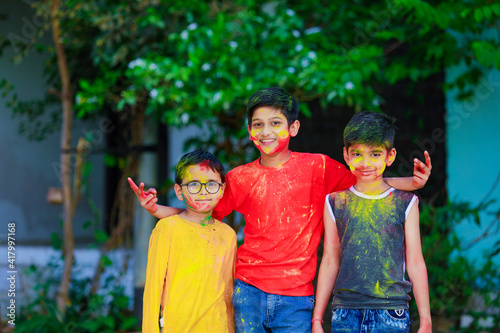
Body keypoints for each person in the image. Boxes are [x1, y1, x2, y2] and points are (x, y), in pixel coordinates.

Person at [130, 87, 432, 332]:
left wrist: (411, 183)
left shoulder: (319, 167)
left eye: (276, 123)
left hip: (297, 296)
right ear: (249, 131)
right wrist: (158, 209)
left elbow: (367, 180)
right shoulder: (240, 177)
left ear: (294, 127)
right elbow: (200, 215)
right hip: (248, 290)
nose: (266, 132)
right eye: (258, 125)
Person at [312, 111, 432, 333]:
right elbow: (330, 259)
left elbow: (415, 262)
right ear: (346, 156)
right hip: (345, 312)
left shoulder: (405, 202)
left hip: (391, 312)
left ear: (390, 155)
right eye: (357, 154)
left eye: (375, 154)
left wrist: (426, 319)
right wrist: (317, 318)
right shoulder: (335, 202)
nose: (365, 162)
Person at [141, 149, 237, 333]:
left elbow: (228, 293)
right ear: (179, 191)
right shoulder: (166, 229)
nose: (203, 192)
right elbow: (152, 293)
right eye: (193, 185)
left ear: (222, 189)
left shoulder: (228, 235)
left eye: (211, 184)